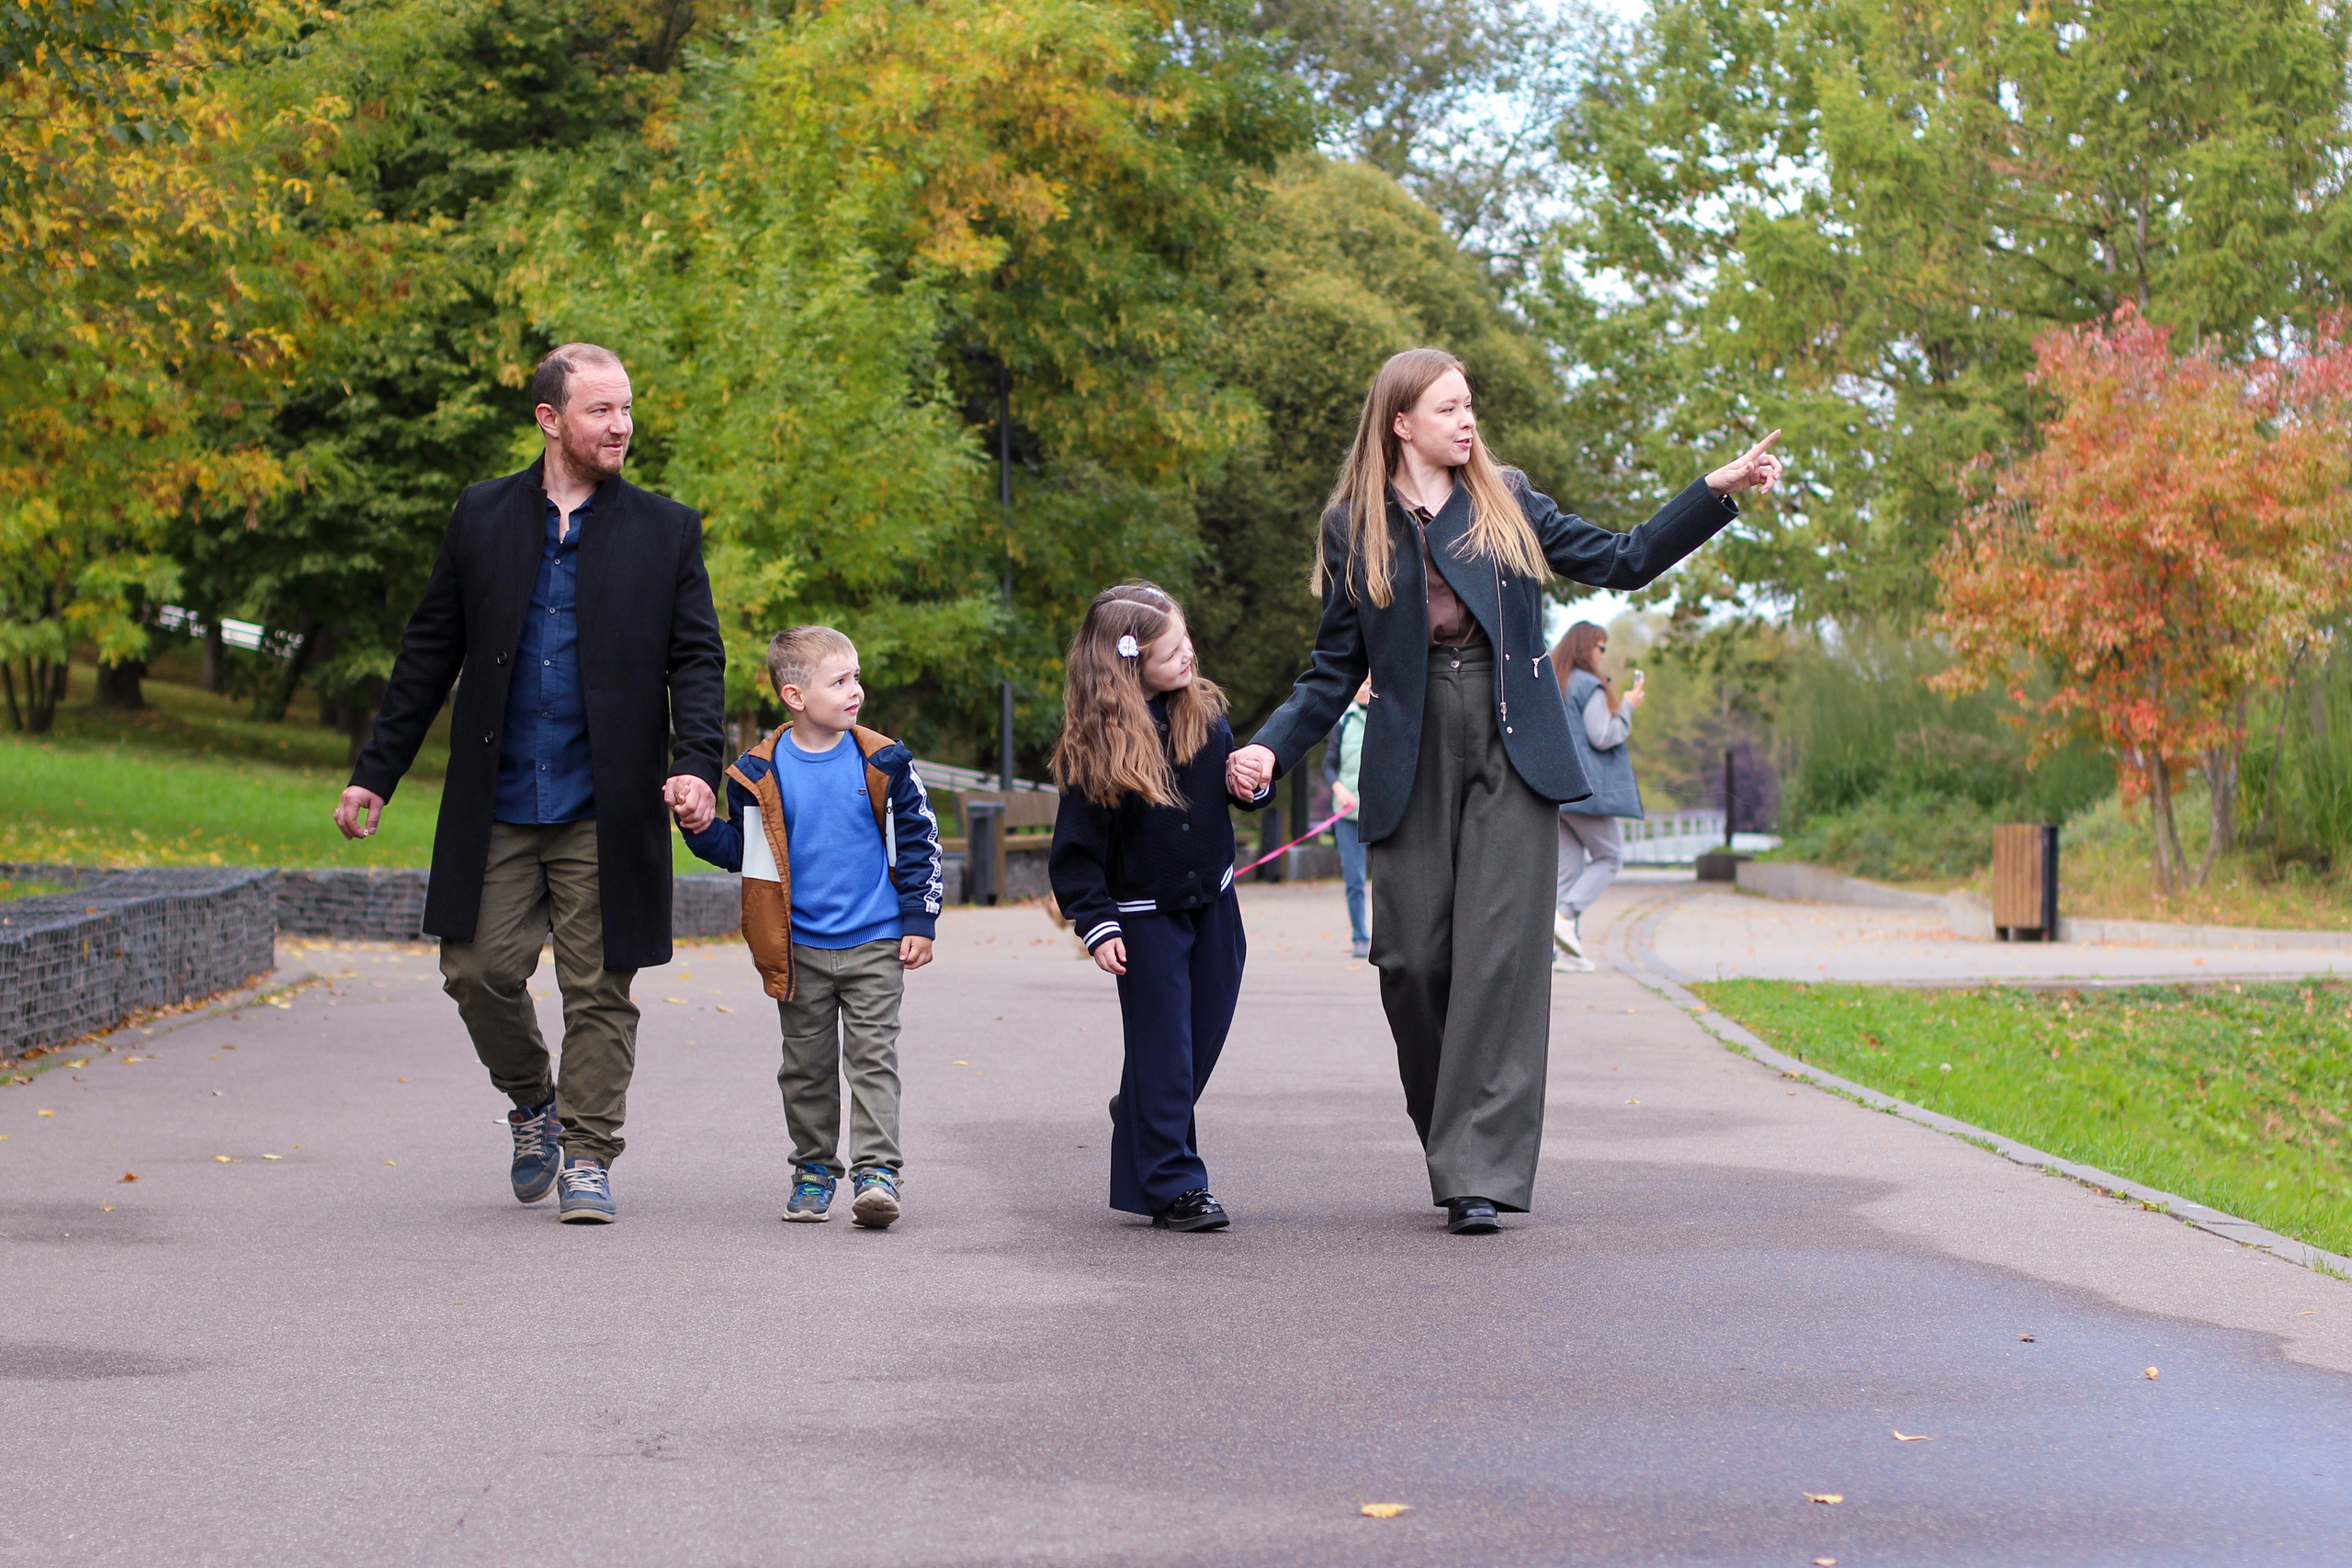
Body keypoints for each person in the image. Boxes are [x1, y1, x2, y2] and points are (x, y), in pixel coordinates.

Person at [1227, 347, 1781, 1235]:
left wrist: (1714, 492)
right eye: (1448, 409)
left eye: (1470, 404)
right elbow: (1334, 669)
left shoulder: (1507, 499)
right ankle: (1454, 1132)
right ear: (1400, 422)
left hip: (1512, 742)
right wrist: (1267, 751)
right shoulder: (1353, 527)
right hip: (1409, 750)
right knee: (1409, 962)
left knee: (1499, 962)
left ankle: (1477, 1170)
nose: (1467, 420)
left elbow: (1626, 559)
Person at [335, 343, 727, 1225]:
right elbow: (429, 652)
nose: (622, 425)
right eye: (601, 411)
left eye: (627, 408)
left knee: (599, 987)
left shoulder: (667, 529)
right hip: (502, 797)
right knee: (475, 970)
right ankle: (533, 1104)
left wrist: (697, 765)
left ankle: (588, 1154)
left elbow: (697, 657)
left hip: (609, 802)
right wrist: (376, 774)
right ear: (551, 419)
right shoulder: (481, 516)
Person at [675, 626, 943, 1229]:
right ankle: (815, 1168)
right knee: (807, 1065)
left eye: (856, 677)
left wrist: (919, 918)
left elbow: (922, 842)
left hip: (876, 940)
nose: (857, 690)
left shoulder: (883, 760)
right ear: (795, 696)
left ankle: (878, 1172)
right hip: (797, 947)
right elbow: (740, 850)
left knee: (873, 1057)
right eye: (840, 680)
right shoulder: (758, 773)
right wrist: (697, 823)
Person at [1047, 582, 1271, 1232]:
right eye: (1172, 650)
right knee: (1166, 1052)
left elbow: (1235, 787)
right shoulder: (1098, 746)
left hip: (1215, 908)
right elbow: (1076, 854)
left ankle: (1143, 1109)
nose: (1188, 656)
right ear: (1128, 661)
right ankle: (1178, 1184)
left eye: (1188, 641)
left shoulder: (1207, 715)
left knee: (1200, 1040)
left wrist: (1251, 785)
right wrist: (1097, 923)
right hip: (1144, 921)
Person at [1550, 621, 1643, 973]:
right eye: (1601, 647)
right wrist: (1629, 706)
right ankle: (1564, 916)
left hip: (1558, 788)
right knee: (1610, 856)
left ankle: (1560, 953)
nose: (1603, 655)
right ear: (1586, 647)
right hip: (1588, 790)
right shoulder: (1589, 685)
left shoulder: (1555, 682)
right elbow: (1603, 735)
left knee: (1569, 869)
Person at [1322, 676, 1374, 957]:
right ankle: (1360, 937)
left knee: (1389, 879)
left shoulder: (1385, 717)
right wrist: (1339, 788)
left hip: (1378, 813)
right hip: (1346, 815)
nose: (1365, 689)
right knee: (1354, 880)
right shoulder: (1343, 722)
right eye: (1361, 684)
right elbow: (1329, 766)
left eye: (1369, 684)